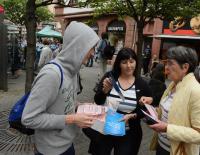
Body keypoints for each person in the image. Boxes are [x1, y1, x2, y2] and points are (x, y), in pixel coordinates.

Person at [21, 21, 100, 155]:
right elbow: (29, 118)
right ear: (78, 46)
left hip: (67, 144)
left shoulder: (73, 71)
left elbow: (62, 100)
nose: (93, 53)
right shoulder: (51, 75)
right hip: (50, 150)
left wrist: (79, 105)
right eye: (91, 47)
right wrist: (72, 119)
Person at [88, 48, 153, 155]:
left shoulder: (142, 84)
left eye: (131, 61)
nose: (129, 66)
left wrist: (133, 116)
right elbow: (98, 101)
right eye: (124, 62)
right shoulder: (110, 77)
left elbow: (148, 108)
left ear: (136, 62)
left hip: (128, 133)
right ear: (119, 63)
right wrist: (105, 91)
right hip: (105, 129)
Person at [149, 46, 200, 155]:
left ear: (185, 67)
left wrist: (167, 128)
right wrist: (154, 111)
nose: (166, 68)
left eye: (171, 64)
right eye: (166, 63)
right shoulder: (173, 84)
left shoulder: (196, 91)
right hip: (162, 145)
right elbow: (174, 113)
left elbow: (198, 134)